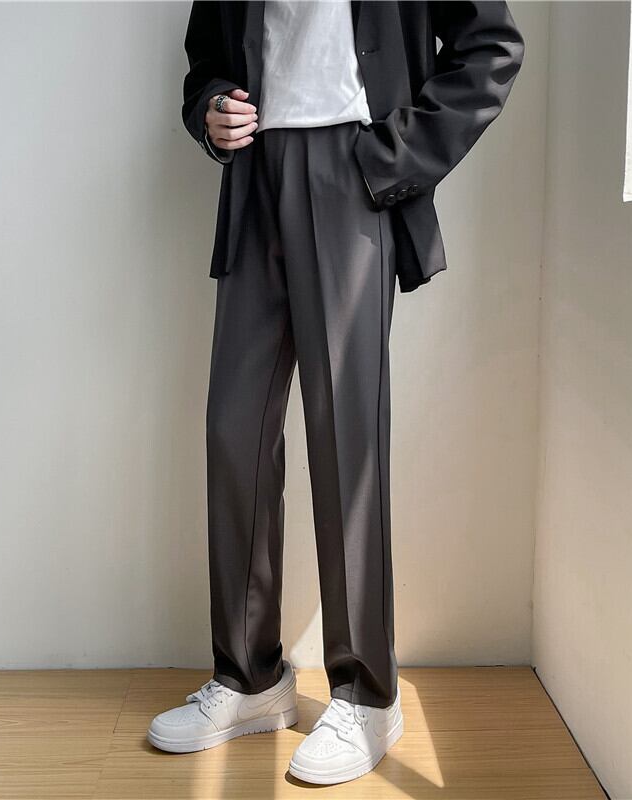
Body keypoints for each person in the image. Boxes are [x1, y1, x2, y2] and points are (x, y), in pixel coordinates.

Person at [147, 0, 524, 786]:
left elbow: (491, 45)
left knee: (346, 440)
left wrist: (396, 153)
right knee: (234, 432)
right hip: (256, 178)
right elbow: (208, 57)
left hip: (354, 169)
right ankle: (250, 678)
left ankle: (367, 694)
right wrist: (211, 111)